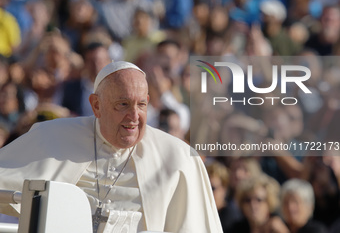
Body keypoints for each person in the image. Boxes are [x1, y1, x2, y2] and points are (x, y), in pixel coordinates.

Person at [0, 61, 223, 233]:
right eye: (123, 104)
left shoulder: (178, 159)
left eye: (142, 105)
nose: (134, 117)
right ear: (96, 105)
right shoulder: (52, 138)